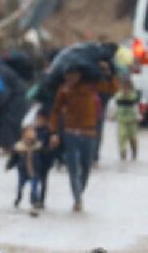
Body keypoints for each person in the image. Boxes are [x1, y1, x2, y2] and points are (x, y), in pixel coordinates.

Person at [49, 65, 119, 212]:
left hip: (89, 134)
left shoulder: (91, 87)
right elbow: (55, 111)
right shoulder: (64, 90)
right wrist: (54, 132)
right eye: (68, 75)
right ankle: (77, 198)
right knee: (73, 168)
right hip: (70, 134)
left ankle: (79, 193)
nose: (70, 78)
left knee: (86, 168)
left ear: (80, 75)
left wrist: (109, 74)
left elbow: (112, 90)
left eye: (73, 75)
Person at [5, 125, 43, 209]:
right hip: (22, 171)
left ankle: (34, 201)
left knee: (34, 187)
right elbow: (13, 158)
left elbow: (43, 157)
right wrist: (9, 165)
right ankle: (18, 198)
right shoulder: (19, 146)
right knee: (20, 187)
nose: (29, 139)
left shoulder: (38, 146)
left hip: (34, 170)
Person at [33, 108, 57, 209]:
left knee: (43, 181)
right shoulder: (32, 131)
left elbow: (52, 148)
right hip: (35, 161)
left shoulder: (49, 132)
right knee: (35, 180)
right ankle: (34, 199)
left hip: (45, 161)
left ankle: (41, 200)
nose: (39, 121)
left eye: (41, 119)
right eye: (38, 119)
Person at [114, 76, 141, 161]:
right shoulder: (118, 94)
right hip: (121, 119)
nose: (125, 88)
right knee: (122, 136)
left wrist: (139, 116)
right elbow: (116, 103)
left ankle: (134, 152)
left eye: (127, 86)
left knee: (132, 137)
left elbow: (136, 104)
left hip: (132, 120)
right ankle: (123, 152)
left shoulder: (134, 95)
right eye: (123, 86)